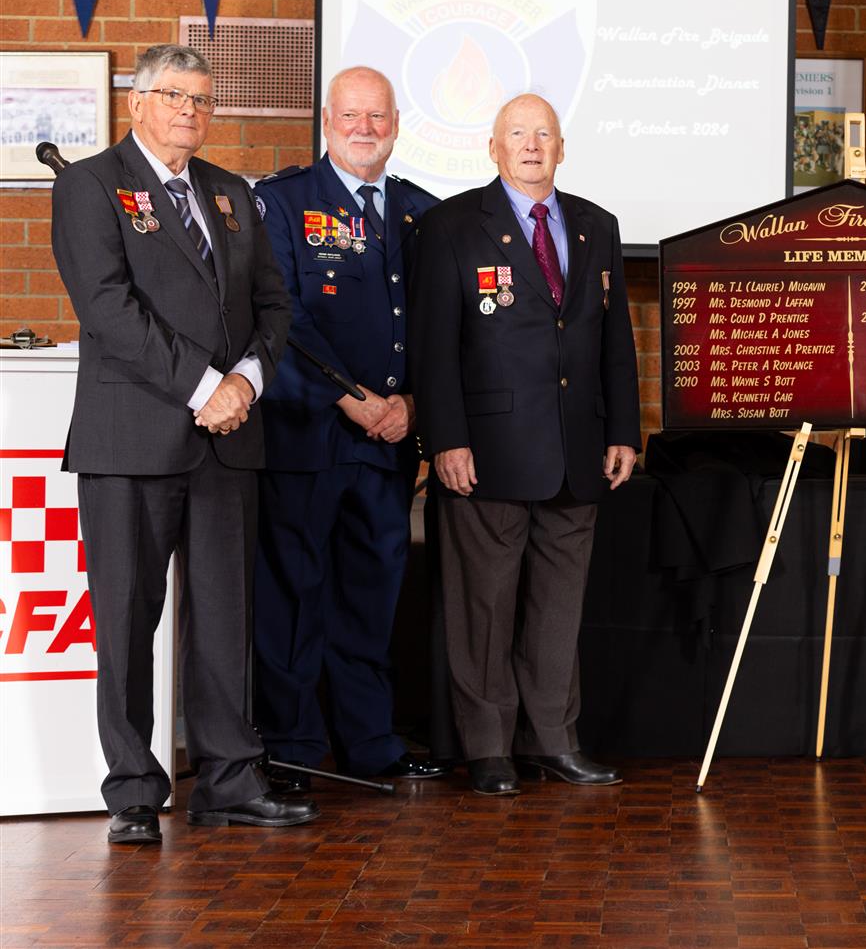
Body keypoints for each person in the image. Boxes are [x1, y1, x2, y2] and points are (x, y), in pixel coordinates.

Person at [50, 44, 314, 843]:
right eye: (174, 97)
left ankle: (230, 778)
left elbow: (274, 305)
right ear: (137, 103)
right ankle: (133, 789)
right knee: (129, 618)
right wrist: (208, 388)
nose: (189, 113)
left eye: (201, 100)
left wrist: (246, 384)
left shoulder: (231, 193)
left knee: (226, 621)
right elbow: (108, 308)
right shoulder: (90, 185)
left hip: (229, 442)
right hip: (132, 437)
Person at [409, 93, 641, 796]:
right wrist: (443, 438)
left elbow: (615, 342)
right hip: (487, 451)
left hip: (578, 449)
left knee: (558, 608)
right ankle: (488, 748)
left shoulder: (597, 226)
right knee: (483, 606)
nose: (532, 144)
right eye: (518, 133)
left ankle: (554, 740)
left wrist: (625, 429)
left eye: (544, 133)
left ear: (562, 147)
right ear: (494, 147)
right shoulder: (450, 225)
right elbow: (434, 348)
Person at [250, 67, 445, 792]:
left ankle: (370, 743)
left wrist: (414, 404)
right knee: (294, 597)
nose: (365, 127)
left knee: (371, 598)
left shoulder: (423, 213)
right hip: (307, 436)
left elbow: (436, 327)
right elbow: (282, 317)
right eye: (351, 115)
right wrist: (352, 397)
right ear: (326, 120)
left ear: (397, 122)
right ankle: (292, 747)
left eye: (378, 116)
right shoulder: (283, 202)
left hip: (389, 444)